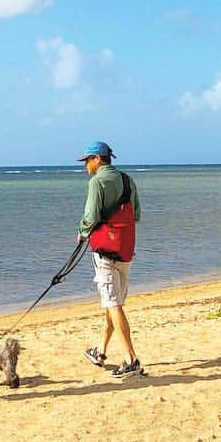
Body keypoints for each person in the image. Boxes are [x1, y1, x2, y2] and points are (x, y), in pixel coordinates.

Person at [77, 141, 144, 379]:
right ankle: (100, 351)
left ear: (97, 159)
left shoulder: (97, 182)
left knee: (113, 303)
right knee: (112, 301)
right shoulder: (127, 179)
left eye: (87, 160)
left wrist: (82, 232)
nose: (85, 165)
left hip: (105, 250)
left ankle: (131, 359)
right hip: (125, 249)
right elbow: (136, 214)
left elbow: (90, 215)